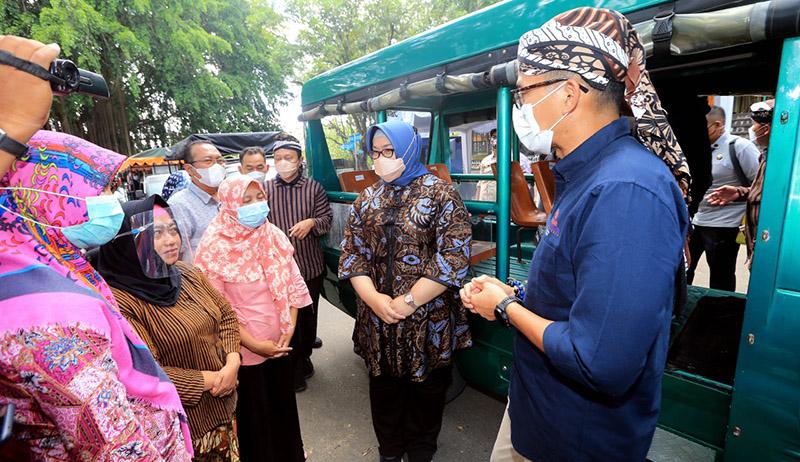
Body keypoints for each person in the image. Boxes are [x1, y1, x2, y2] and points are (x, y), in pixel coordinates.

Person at [461, 8, 690, 462]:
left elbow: (599, 361)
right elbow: (583, 286)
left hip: (574, 441)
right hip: (541, 414)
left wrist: (506, 308)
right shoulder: (585, 175)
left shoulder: (625, 190)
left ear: (567, 94)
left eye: (525, 91)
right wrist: (521, 292)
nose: (519, 107)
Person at [0, 131, 192, 461]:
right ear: (47, 196)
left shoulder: (51, 266)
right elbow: (115, 446)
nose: (110, 201)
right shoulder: (48, 313)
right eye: (98, 190)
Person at [338, 119, 473, 462]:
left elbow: (453, 256)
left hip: (428, 317)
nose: (381, 159)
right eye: (376, 152)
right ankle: (390, 451)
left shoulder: (442, 193)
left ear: (410, 149)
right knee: (383, 389)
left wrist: (409, 301)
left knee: (427, 391)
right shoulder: (367, 198)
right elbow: (352, 254)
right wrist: (374, 299)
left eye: (390, 151)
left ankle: (421, 451)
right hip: (377, 316)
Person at [92, 195, 242, 461]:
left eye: (173, 229)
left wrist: (232, 362)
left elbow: (226, 316)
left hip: (224, 408)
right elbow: (145, 371)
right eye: (156, 233)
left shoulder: (186, 273)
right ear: (125, 243)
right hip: (183, 429)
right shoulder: (120, 303)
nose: (171, 240)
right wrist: (214, 380)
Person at [195, 175, 309, 462]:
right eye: (246, 201)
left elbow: (292, 283)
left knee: (283, 409)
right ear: (230, 205)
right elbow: (217, 310)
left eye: (259, 198)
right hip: (243, 354)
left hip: (280, 346)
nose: (256, 206)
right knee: (255, 420)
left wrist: (290, 327)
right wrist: (255, 345)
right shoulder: (214, 246)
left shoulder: (273, 235)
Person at [264, 137, 333, 391]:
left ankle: (304, 358)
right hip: (277, 271)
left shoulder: (314, 188)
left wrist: (312, 223)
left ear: (299, 160)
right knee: (284, 320)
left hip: (308, 266)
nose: (283, 163)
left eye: (288, 158)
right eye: (278, 158)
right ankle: (292, 368)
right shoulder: (266, 189)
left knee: (306, 319)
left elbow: (327, 219)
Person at [687, 106, 761, 290]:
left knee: (721, 277)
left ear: (717, 125)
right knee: (684, 270)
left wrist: (736, 193)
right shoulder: (697, 149)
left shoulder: (739, 147)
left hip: (724, 227)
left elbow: (762, 185)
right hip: (696, 222)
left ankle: (719, 313)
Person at [706, 99, 774, 269]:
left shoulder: (743, 148)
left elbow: (774, 195)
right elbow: (761, 189)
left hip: (734, 229)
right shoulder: (766, 156)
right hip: (703, 222)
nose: (752, 129)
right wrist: (740, 192)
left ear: (766, 129)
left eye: (754, 124)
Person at [168, 140, 226, 259]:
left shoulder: (231, 196)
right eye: (208, 161)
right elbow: (175, 256)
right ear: (189, 169)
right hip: (201, 276)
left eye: (220, 161)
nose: (217, 166)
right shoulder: (178, 205)